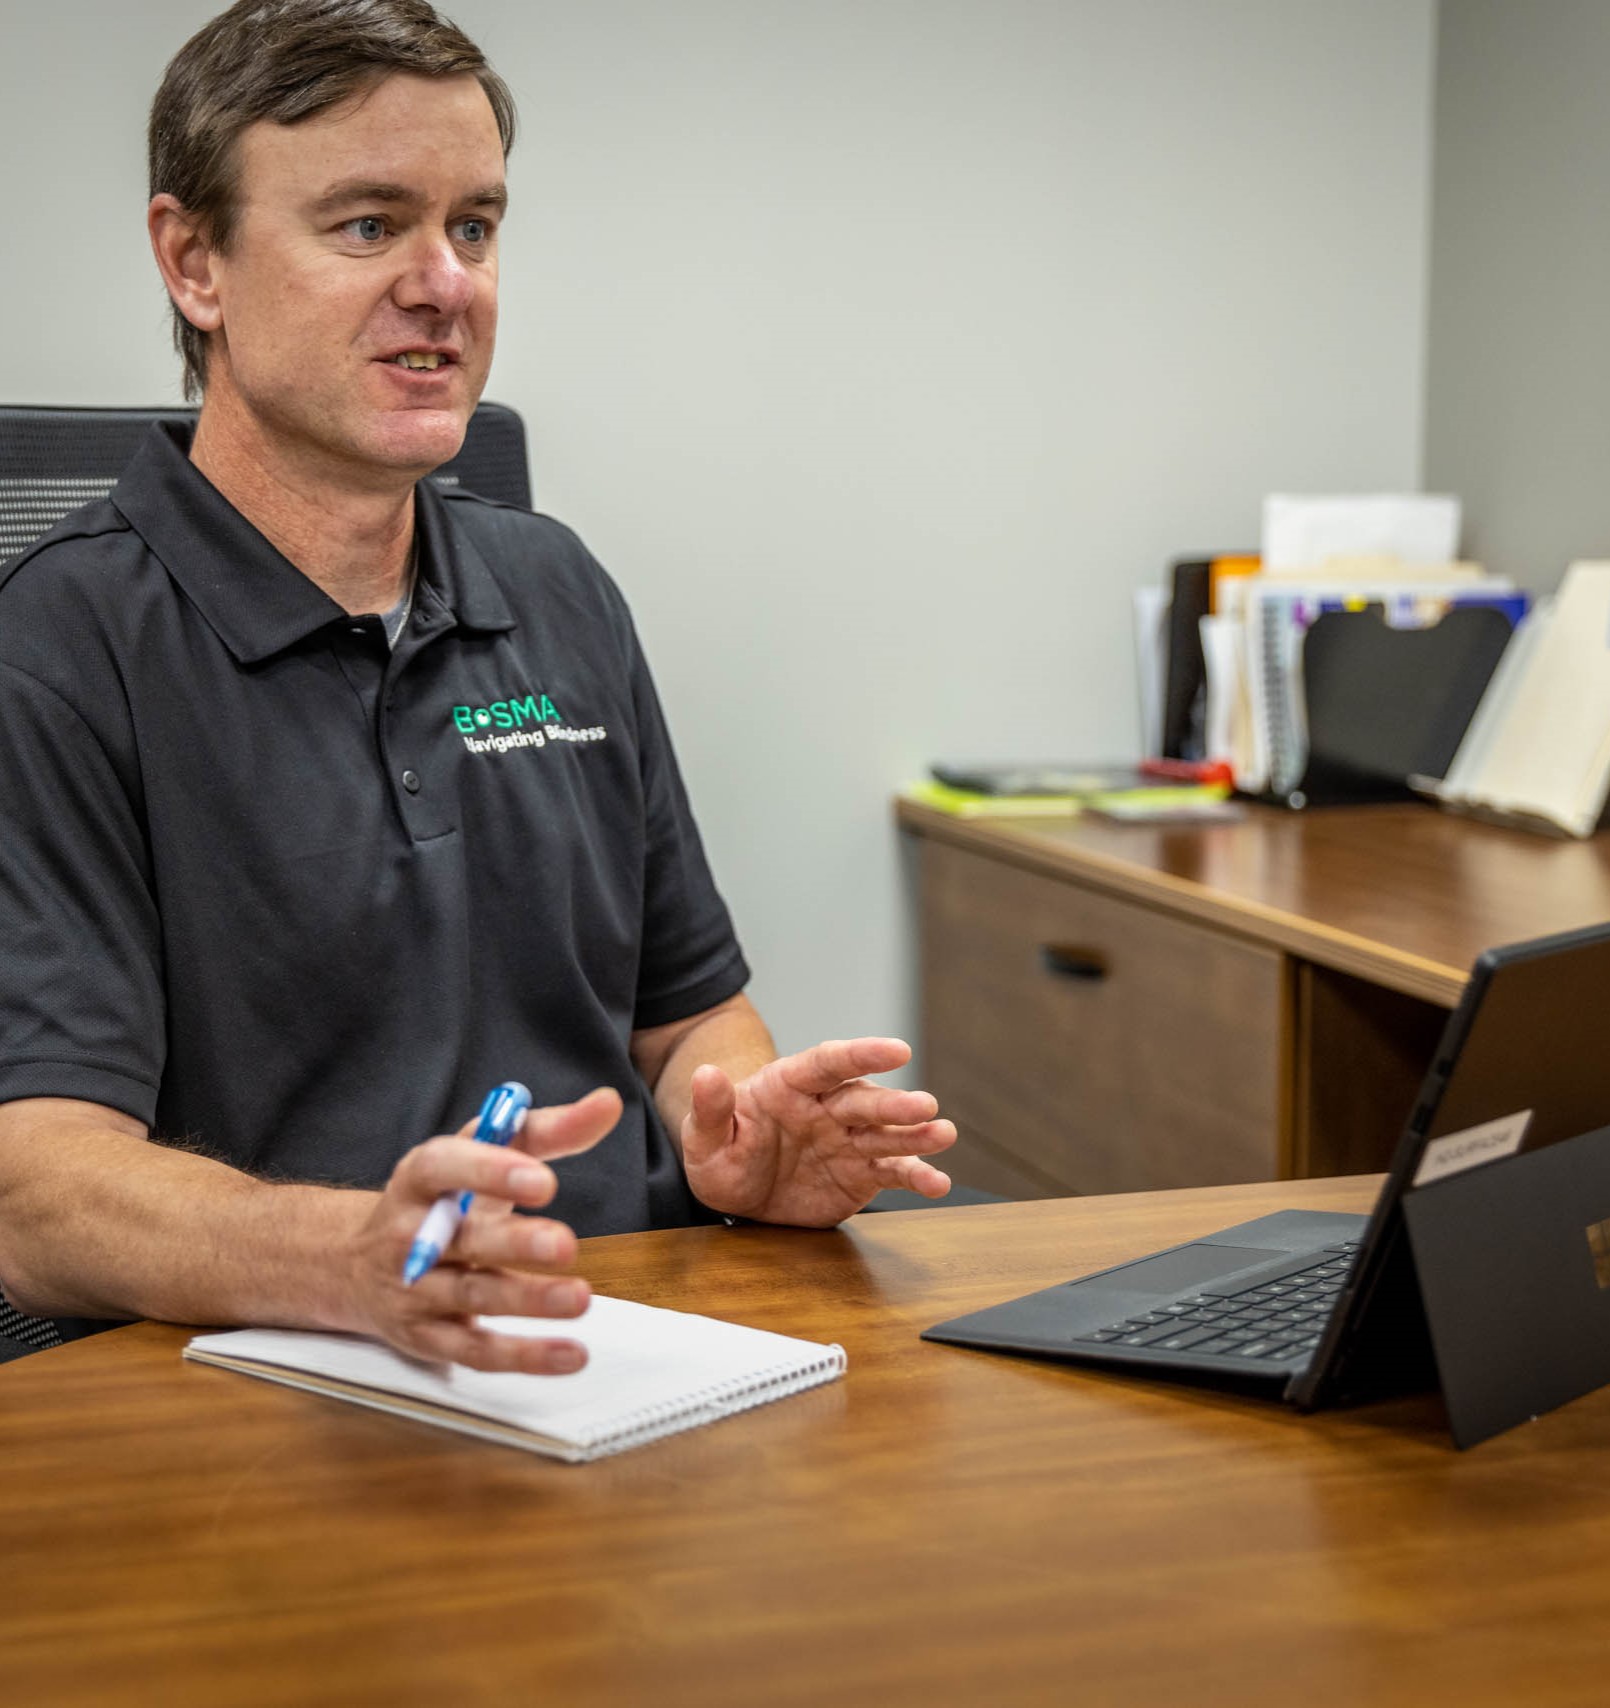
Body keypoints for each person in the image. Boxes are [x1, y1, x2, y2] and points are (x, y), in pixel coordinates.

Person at [0, 0, 954, 1372]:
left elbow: (685, 1014)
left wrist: (732, 1125)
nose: (444, 282)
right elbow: (38, 1191)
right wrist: (355, 1261)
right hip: (274, 1396)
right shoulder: (60, 643)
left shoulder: (557, 587)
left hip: (637, 1341)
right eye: (370, 225)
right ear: (193, 261)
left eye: (476, 226)